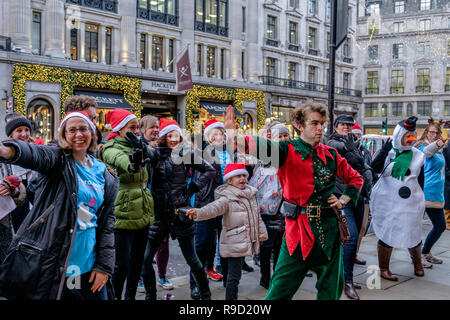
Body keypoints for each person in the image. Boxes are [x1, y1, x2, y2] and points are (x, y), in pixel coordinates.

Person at [223, 102, 363, 300]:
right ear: (299, 124)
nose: (320, 128)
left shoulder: (331, 155)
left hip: (330, 233)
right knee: (279, 290)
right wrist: (233, 135)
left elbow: (356, 178)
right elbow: (259, 146)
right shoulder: (286, 150)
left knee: (331, 292)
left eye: (322, 123)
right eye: (314, 123)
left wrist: (343, 199)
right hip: (297, 233)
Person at [0, 111, 118, 300]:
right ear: (63, 135)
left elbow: (106, 225)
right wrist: (7, 151)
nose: (78, 134)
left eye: (83, 129)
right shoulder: (58, 161)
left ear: (93, 133)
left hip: (89, 268)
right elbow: (36, 154)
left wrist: (104, 266)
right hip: (57, 266)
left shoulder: (106, 174)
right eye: (72, 130)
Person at [140, 118, 215, 300]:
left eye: (176, 135)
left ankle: (205, 294)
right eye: (170, 135)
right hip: (158, 215)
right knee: (145, 260)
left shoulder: (186, 154)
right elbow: (142, 160)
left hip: (180, 214)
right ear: (164, 137)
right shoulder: (155, 153)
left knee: (193, 259)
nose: (173, 139)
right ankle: (151, 295)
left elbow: (210, 170)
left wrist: (194, 186)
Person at [186, 163, 268, 300]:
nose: (242, 178)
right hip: (234, 242)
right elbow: (213, 208)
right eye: (238, 176)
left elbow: (256, 217)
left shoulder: (250, 194)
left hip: (243, 242)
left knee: (235, 276)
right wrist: (198, 213)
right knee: (233, 278)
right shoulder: (227, 197)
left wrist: (261, 233)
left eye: (244, 175)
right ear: (229, 180)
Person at [100, 109, 154, 300]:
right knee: (121, 265)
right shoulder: (110, 147)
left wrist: (142, 147)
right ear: (120, 129)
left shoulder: (137, 144)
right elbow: (120, 160)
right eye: (132, 127)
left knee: (137, 263)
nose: (137, 131)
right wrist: (132, 163)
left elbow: (154, 156)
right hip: (123, 212)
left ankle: (130, 297)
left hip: (142, 210)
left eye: (137, 127)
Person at [370, 116, 427, 281]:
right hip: (389, 202)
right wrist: (382, 151)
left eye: (412, 135)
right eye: (406, 135)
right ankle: (383, 268)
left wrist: (419, 200)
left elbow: (420, 180)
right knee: (388, 232)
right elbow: (375, 169)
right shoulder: (389, 152)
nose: (410, 139)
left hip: (410, 203)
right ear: (398, 135)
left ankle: (417, 263)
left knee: (413, 232)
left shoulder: (418, 155)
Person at [327, 115, 372, 300]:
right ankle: (347, 282)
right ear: (335, 126)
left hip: (359, 196)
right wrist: (353, 151)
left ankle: (344, 277)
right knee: (350, 236)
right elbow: (340, 149)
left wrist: (368, 170)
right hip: (341, 197)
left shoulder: (356, 143)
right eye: (342, 124)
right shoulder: (332, 142)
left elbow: (365, 163)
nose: (346, 127)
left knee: (354, 237)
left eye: (349, 124)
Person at [248, 123, 288, 290]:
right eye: (280, 136)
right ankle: (265, 279)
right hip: (265, 212)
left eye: (286, 136)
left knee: (280, 248)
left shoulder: (289, 156)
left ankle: (278, 279)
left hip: (284, 210)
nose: (284, 139)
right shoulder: (263, 159)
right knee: (266, 247)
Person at [138, 115, 173, 291]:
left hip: (161, 205)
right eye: (152, 127)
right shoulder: (141, 148)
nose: (156, 130)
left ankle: (162, 275)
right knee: (143, 245)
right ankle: (139, 277)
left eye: (158, 127)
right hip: (144, 206)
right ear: (143, 129)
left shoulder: (165, 149)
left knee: (163, 244)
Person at [414, 121, 447, 265]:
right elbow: (427, 152)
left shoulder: (439, 151)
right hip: (426, 192)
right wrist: (437, 145)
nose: (434, 135)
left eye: (437, 133)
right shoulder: (422, 147)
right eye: (432, 132)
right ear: (427, 133)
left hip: (437, 193)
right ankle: (418, 257)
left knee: (440, 226)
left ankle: (425, 252)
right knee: (417, 226)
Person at [2, 113, 35, 232]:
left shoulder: (35, 152)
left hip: (32, 206)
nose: (24, 134)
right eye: (19, 130)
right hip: (11, 206)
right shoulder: (4, 153)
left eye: (27, 130)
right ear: (11, 134)